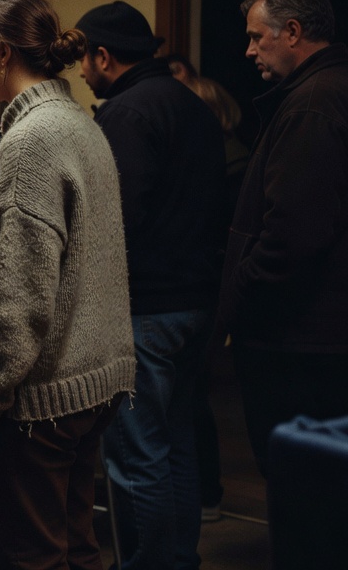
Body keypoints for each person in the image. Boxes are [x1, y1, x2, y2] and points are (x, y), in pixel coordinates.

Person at [0, 0, 135, 570]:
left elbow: (18, 295)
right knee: (76, 546)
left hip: (41, 399)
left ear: (2, 53)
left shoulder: (31, 142)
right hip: (91, 382)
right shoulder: (78, 125)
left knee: (26, 555)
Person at [74, 1, 225, 570]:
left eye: (84, 59)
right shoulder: (193, 105)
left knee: (137, 457)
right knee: (177, 444)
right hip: (195, 303)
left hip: (147, 310)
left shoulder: (126, 114)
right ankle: (180, 559)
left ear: (103, 56)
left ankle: (149, 564)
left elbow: (118, 219)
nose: (82, 71)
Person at [224, 0, 348, 474]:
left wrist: (242, 292)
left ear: (292, 32)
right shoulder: (324, 91)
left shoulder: (312, 103)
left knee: (305, 489)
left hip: (300, 340)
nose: (249, 49)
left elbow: (294, 235)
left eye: (258, 37)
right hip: (318, 335)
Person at [182, 73, 250, 524]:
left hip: (207, 286)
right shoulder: (228, 158)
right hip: (206, 287)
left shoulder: (227, 164)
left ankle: (206, 494)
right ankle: (204, 495)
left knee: (190, 399)